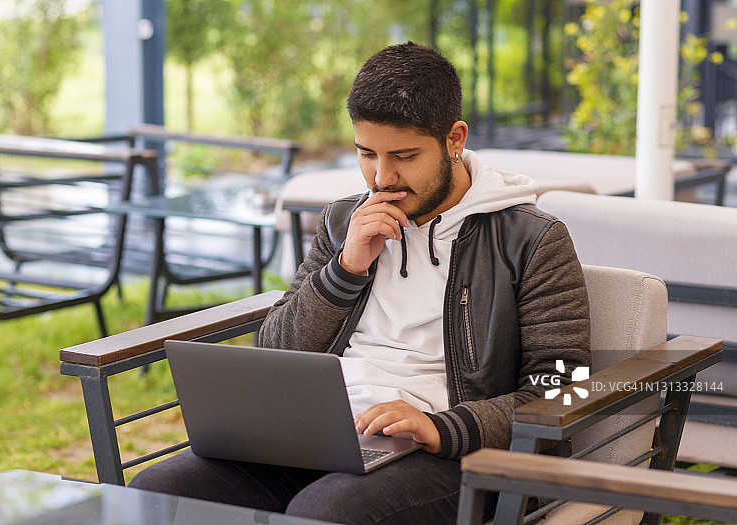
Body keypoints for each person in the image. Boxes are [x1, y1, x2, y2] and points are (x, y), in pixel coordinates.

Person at [130, 41, 591, 525]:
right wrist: (344, 271)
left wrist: (444, 428)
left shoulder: (531, 241)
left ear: (455, 139)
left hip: (458, 456)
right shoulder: (342, 222)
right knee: (157, 491)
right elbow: (278, 350)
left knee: (325, 511)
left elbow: (563, 388)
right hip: (325, 438)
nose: (382, 177)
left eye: (404, 155)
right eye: (366, 154)